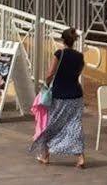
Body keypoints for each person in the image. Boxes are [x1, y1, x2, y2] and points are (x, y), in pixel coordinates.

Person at [31, 26, 87, 168]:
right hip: (76, 95)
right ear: (74, 41)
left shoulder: (59, 54)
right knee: (75, 124)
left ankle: (45, 154)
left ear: (63, 40)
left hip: (60, 94)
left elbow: (50, 73)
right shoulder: (79, 56)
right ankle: (80, 157)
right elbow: (78, 72)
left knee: (52, 124)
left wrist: (45, 86)